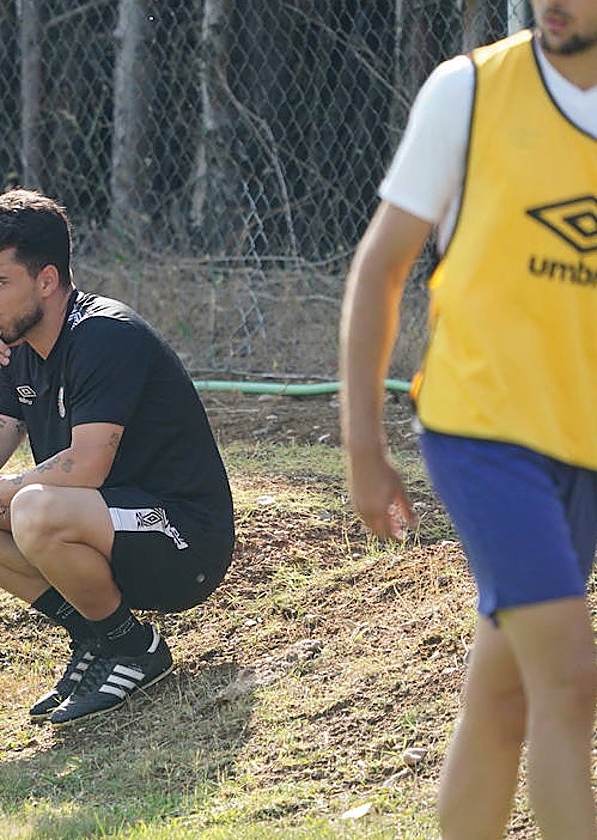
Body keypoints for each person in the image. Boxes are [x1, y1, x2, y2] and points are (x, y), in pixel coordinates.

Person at [339, 2, 597, 836]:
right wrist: (363, 446)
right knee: (568, 679)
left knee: (505, 693)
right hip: (480, 432)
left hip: (582, 443)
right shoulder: (471, 91)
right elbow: (380, 270)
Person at [0, 189, 235, 727]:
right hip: (107, 527)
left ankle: (133, 648)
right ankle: (99, 638)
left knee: (32, 509)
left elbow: (85, 466)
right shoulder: (18, 343)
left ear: (46, 280)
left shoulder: (103, 335)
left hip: (183, 537)